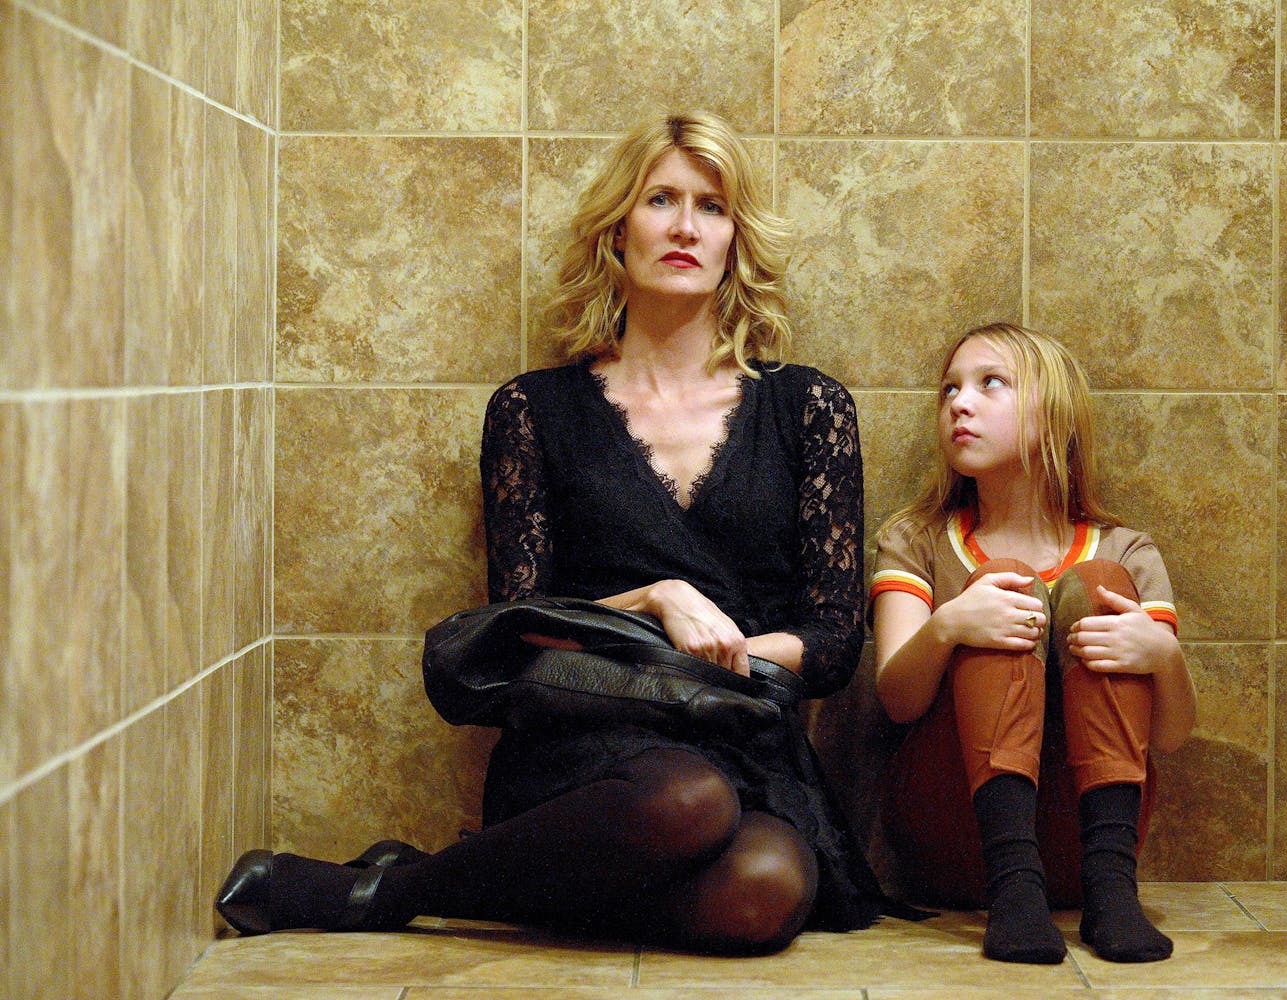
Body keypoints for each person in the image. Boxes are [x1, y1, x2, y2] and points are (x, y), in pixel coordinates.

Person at [215, 110, 891, 954]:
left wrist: (712, 662)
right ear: (617, 231)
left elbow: (832, 641)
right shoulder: (532, 409)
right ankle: (376, 892)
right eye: (660, 200)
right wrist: (657, 599)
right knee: (683, 800)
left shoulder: (810, 407)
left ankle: (414, 883)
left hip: (742, 733)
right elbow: (518, 627)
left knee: (761, 897)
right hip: (587, 740)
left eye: (711, 207)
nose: (685, 226)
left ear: (735, 240)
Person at [869, 322, 1197, 964]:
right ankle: (1014, 888)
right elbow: (898, 703)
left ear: (1056, 416)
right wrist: (950, 625)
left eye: (990, 383)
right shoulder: (916, 539)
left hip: (1086, 850)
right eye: (949, 389)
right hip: (958, 838)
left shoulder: (1126, 549)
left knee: (1098, 586)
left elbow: (1171, 734)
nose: (959, 403)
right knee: (1002, 584)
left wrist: (1163, 655)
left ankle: (1113, 892)